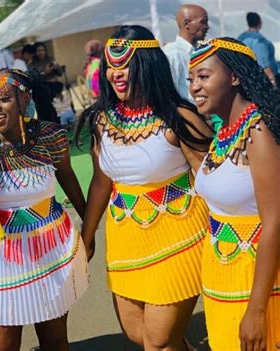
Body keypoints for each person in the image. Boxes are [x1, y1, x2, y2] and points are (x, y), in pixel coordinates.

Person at [77, 25, 213, 350]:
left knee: (159, 340)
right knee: (138, 334)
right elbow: (100, 183)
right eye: (111, 66)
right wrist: (87, 236)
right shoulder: (102, 121)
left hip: (180, 236)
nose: (116, 74)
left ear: (147, 64)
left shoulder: (179, 117)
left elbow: (214, 180)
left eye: (125, 65)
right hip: (126, 241)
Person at [0, 69, 89, 351]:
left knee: (54, 342)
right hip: (1, 257)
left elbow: (67, 177)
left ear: (24, 100)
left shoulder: (50, 136)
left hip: (50, 247)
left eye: (4, 99)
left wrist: (88, 232)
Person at [189, 37, 280, 350]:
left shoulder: (258, 132)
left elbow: (274, 221)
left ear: (235, 77)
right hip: (222, 274)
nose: (194, 87)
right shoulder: (225, 131)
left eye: (204, 76)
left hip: (254, 281)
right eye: (191, 79)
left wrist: (256, 311)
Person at [163, 4, 209, 102]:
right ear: (186, 23)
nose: (207, 27)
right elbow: (168, 96)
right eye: (203, 22)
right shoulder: (172, 54)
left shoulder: (200, 51)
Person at [238, 12, 278, 87]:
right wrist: (272, 80)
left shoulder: (241, 37)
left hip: (248, 76)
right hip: (262, 79)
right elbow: (263, 63)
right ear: (259, 23)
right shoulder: (258, 40)